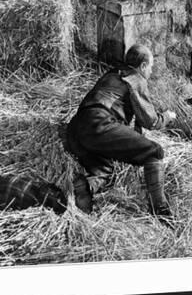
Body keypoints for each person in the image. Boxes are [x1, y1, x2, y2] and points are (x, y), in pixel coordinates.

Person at [66, 44, 176, 223]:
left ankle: (84, 189)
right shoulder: (136, 78)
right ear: (142, 66)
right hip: (100, 124)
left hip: (77, 129)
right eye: (151, 67)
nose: (150, 71)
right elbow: (151, 121)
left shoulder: (113, 73)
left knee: (103, 169)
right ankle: (160, 210)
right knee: (154, 152)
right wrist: (168, 116)